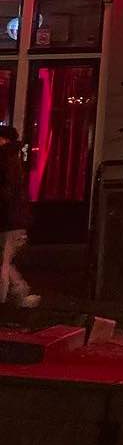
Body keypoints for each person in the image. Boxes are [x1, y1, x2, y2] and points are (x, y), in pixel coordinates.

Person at [0, 125, 39, 308]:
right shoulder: (12, 159)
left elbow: (8, 191)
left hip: (9, 221)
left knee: (3, 261)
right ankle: (20, 290)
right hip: (14, 221)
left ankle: (7, 295)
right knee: (4, 259)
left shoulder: (6, 159)